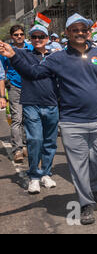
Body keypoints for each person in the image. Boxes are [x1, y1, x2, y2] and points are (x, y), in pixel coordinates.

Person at [0, 13, 97, 225]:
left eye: (83, 29)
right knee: (78, 166)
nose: (80, 33)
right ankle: (85, 203)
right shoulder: (56, 59)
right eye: (74, 30)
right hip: (71, 122)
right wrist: (13, 56)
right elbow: (32, 73)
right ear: (67, 33)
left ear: (88, 32)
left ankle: (93, 187)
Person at [10, 25, 60, 194]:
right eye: (34, 37)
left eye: (41, 36)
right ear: (29, 39)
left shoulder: (56, 56)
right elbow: (11, 52)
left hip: (52, 104)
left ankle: (46, 173)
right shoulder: (23, 54)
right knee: (35, 140)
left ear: (47, 38)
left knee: (50, 142)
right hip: (31, 104)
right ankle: (34, 177)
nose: (37, 40)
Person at [0, 25, 33, 163]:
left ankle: (25, 145)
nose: (19, 36)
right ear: (12, 36)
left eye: (21, 34)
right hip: (15, 88)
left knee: (28, 118)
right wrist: (2, 96)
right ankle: (17, 149)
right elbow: (1, 75)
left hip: (31, 87)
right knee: (17, 118)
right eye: (16, 35)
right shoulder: (5, 51)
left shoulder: (31, 49)